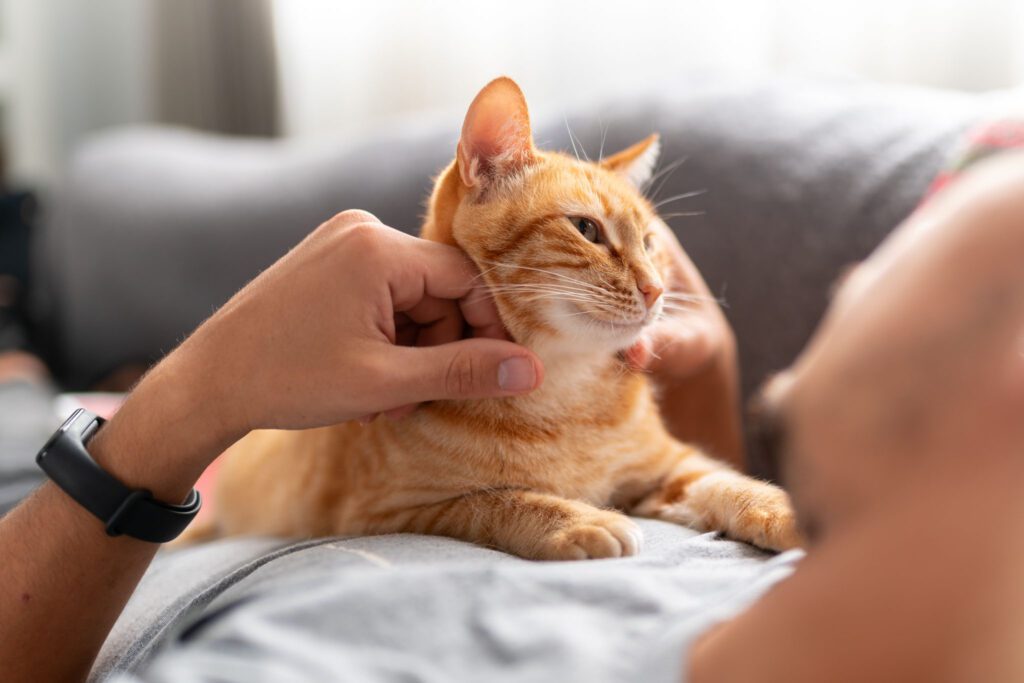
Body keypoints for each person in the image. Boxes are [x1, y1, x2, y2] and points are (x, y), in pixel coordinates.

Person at [2, 147, 1023, 681]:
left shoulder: (334, 656)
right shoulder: (858, 578)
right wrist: (707, 392)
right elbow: (657, 477)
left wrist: (191, 396)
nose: (655, 276)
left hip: (105, 513)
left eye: (902, 242)